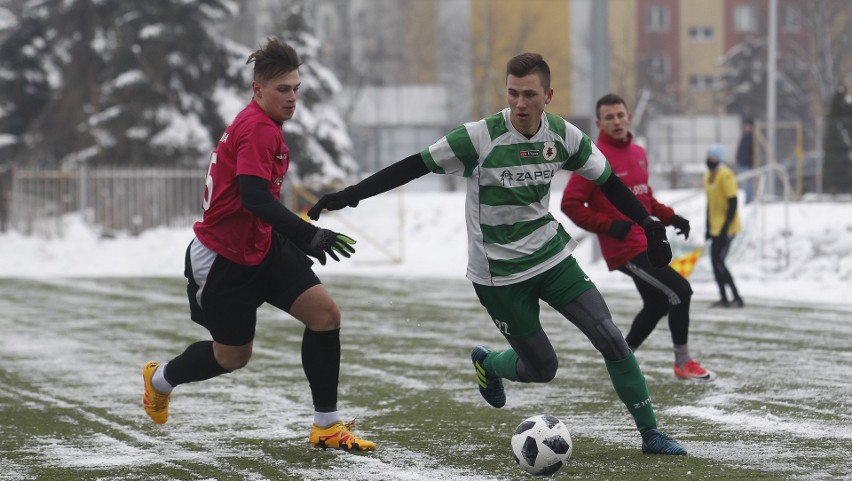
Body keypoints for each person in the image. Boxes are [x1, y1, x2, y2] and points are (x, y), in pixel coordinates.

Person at [309, 53, 687, 455]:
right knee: (543, 369)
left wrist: (647, 223)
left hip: (551, 257)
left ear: (548, 95)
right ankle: (489, 363)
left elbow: (609, 182)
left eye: (529, 95)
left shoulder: (562, 135)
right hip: (498, 274)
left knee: (610, 336)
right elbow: (412, 166)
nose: (519, 104)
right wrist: (350, 196)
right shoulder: (478, 137)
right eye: (512, 94)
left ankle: (651, 434)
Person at [142, 38, 375, 452]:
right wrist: (307, 234)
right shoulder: (258, 129)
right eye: (282, 89)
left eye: (296, 88)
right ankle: (160, 379)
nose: (292, 98)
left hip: (261, 246)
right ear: (257, 90)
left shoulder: (264, 126)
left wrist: (289, 237)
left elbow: (256, 202)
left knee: (325, 315)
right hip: (223, 259)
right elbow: (253, 196)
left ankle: (326, 426)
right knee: (232, 357)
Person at [561, 93, 716, 382]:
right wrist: (608, 225)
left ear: (629, 117)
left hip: (647, 242)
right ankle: (682, 362)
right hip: (625, 249)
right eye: (609, 117)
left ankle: (622, 359)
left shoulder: (638, 153)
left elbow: (645, 198)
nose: (616, 121)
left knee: (658, 303)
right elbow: (569, 204)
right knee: (680, 291)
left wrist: (671, 217)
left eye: (620, 115)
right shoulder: (594, 159)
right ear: (599, 123)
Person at [704, 144, 744, 308]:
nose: (708, 159)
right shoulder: (708, 176)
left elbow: (733, 201)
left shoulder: (726, 175)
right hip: (715, 227)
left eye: (712, 156)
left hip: (726, 228)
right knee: (715, 262)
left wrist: (726, 225)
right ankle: (724, 297)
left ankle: (736, 297)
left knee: (719, 261)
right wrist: (708, 226)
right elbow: (710, 204)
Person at [735, 118, 755, 203]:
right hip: (743, 163)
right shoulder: (744, 136)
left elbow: (752, 151)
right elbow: (740, 150)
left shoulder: (752, 137)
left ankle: (749, 199)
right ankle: (748, 198)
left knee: (748, 183)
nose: (746, 127)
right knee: (746, 183)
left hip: (748, 164)